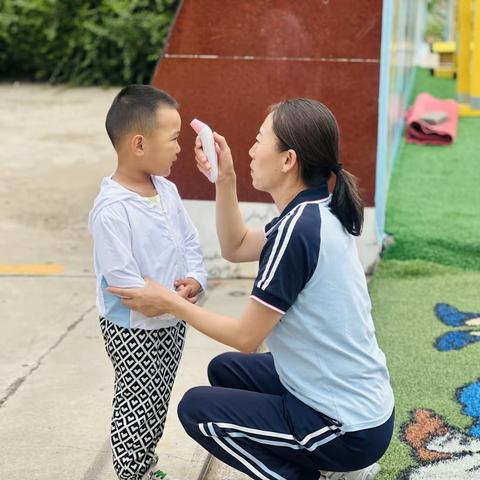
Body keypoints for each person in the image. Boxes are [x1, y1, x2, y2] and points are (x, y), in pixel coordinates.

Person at [108, 98, 395, 480]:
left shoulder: (296, 233)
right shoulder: (314, 210)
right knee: (225, 370)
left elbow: (245, 336)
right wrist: (225, 180)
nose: (251, 149)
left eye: (260, 139)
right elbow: (236, 245)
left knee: (197, 410)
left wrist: (168, 302)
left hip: (346, 428)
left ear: (288, 160)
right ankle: (334, 466)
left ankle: (321, 471)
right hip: (363, 409)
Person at [88, 85, 207, 480]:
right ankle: (131, 472)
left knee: (157, 400)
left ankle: (145, 463)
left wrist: (194, 280)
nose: (178, 148)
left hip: (172, 319)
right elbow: (125, 285)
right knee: (136, 402)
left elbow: (189, 242)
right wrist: (170, 302)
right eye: (173, 139)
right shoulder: (112, 210)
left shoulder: (166, 190)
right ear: (139, 144)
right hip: (132, 328)